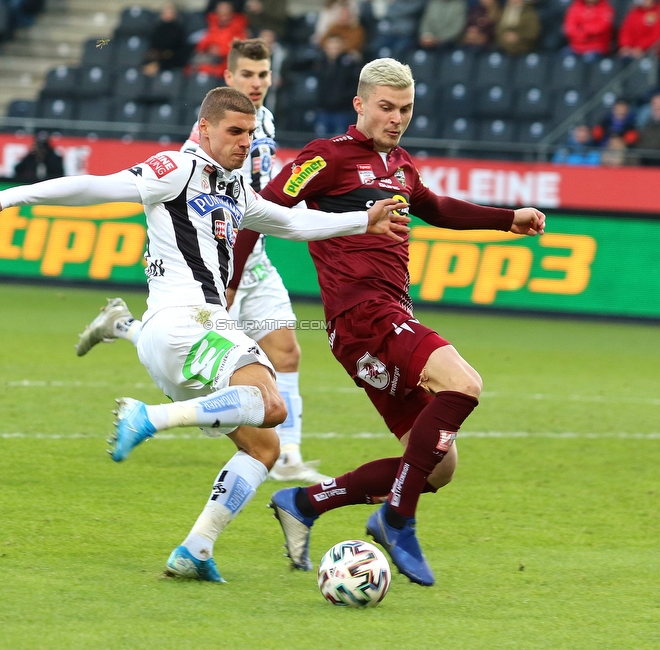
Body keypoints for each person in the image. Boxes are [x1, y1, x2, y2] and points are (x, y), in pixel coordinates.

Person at [0, 87, 409, 583]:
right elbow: (94, 187)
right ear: (205, 128)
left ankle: (195, 549)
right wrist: (6, 197)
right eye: (233, 132)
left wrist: (364, 218)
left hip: (172, 341)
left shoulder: (234, 188)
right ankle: (149, 416)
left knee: (263, 448)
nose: (243, 143)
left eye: (249, 134)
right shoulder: (177, 169)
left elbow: (293, 221)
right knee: (272, 403)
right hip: (186, 323)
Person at [234, 58, 545, 585]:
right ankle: (397, 518)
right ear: (360, 104)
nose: (396, 118)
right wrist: (227, 282)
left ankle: (305, 502)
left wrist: (505, 220)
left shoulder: (400, 165)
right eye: (385, 107)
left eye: (404, 109)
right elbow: (258, 211)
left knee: (438, 466)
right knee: (464, 383)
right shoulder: (326, 157)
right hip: (362, 317)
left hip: (386, 318)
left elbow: (437, 207)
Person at [77, 40, 336, 484]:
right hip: (219, 264)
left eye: (264, 74)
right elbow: (193, 212)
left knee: (286, 352)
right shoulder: (200, 146)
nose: (257, 83)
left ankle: (289, 453)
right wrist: (224, 277)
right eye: (248, 76)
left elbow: (265, 205)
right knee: (206, 372)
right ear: (229, 79)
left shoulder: (263, 122)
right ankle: (127, 335)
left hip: (256, 256)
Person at [313, 34, 362, 137]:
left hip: (342, 110)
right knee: (322, 141)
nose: (333, 50)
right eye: (330, 47)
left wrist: (344, 99)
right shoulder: (320, 63)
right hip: (323, 109)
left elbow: (355, 85)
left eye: (336, 46)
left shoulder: (350, 64)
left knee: (340, 142)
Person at [191, 1, 248, 77]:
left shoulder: (238, 27)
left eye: (226, 12)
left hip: (226, 65)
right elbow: (202, 44)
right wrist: (207, 48)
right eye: (220, 11)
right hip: (209, 62)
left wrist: (220, 51)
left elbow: (239, 49)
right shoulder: (213, 25)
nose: (223, 15)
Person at [142, 2, 190, 77]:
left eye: (170, 12)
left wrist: (160, 64)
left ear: (175, 14)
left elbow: (179, 52)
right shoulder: (157, 29)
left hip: (171, 62)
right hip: (156, 61)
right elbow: (153, 48)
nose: (167, 15)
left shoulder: (179, 30)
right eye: (165, 12)